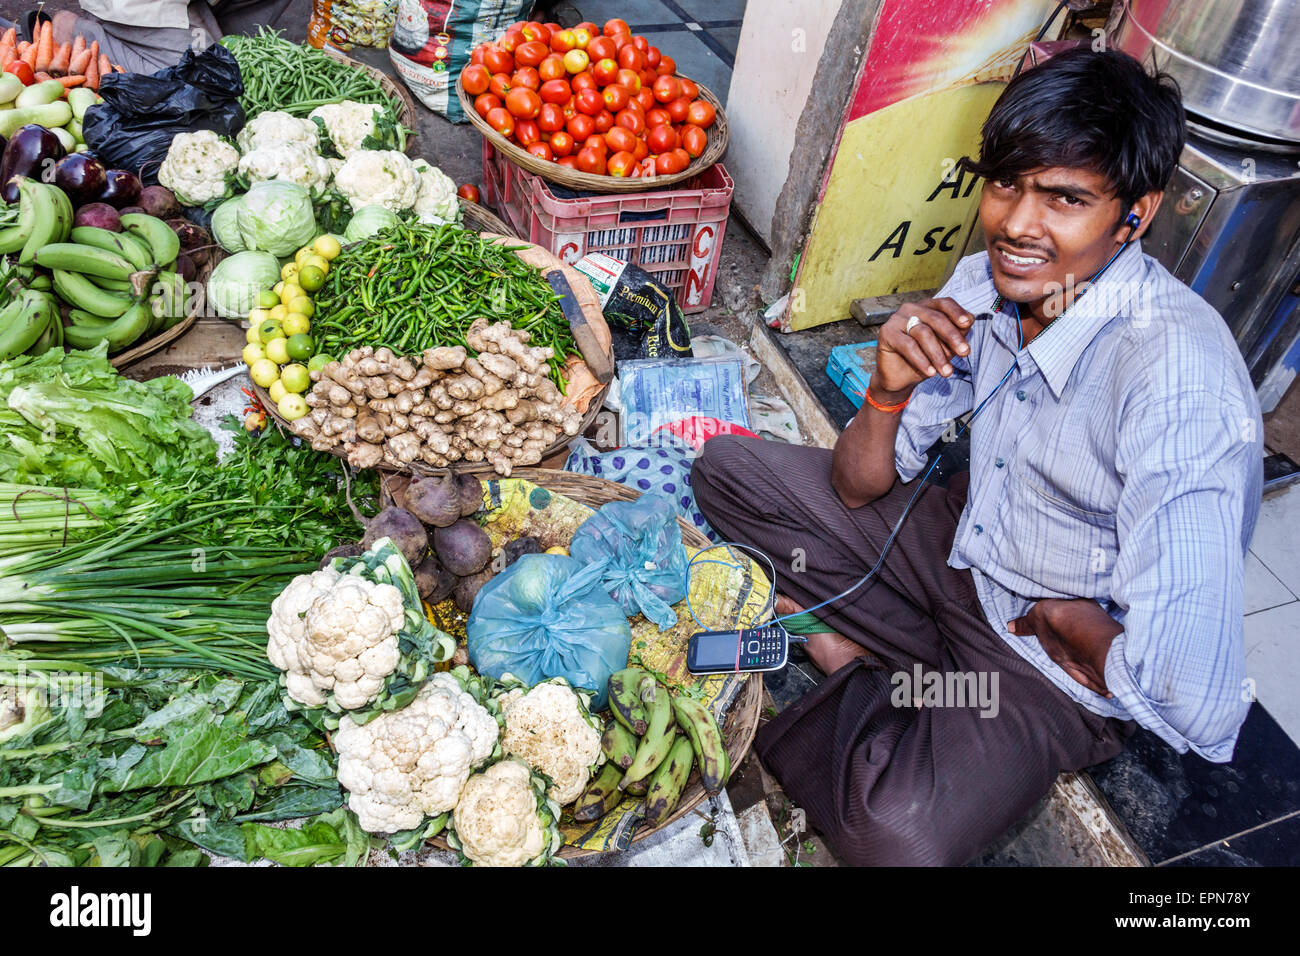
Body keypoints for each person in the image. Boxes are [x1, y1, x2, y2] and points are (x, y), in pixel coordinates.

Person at [692, 47, 1263, 866]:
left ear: (1137, 213)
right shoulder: (989, 283)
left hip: (1038, 654)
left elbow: (1203, 702)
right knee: (726, 471)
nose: (1017, 226)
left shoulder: (1178, 386)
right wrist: (886, 394)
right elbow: (859, 491)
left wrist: (1081, 628)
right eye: (1006, 186)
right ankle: (906, 673)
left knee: (898, 838)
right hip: (963, 550)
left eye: (1065, 198)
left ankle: (857, 664)